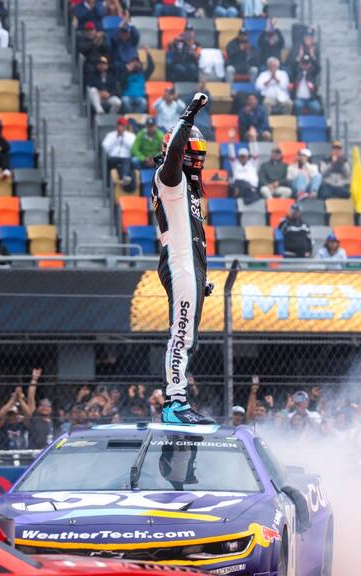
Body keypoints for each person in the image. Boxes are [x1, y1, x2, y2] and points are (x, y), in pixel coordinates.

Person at [152, 93, 213, 425]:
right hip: (179, 264)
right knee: (181, 335)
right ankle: (174, 403)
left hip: (190, 266)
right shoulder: (169, 179)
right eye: (193, 151)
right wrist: (188, 115)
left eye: (201, 152)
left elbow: (195, 237)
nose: (198, 158)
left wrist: (204, 277)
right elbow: (175, 151)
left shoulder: (188, 190)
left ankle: (178, 400)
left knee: (188, 336)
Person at [102, 117, 136, 190]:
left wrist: (124, 137)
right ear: (117, 125)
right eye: (120, 125)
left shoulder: (131, 136)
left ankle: (125, 177)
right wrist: (116, 138)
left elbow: (133, 148)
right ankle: (107, 185)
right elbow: (105, 147)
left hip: (125, 157)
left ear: (125, 126)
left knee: (127, 161)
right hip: (113, 157)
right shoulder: (110, 135)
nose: (121, 127)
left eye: (123, 125)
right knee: (107, 161)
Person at [227, 134, 260, 202]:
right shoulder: (235, 164)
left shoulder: (252, 163)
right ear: (238, 157)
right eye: (241, 156)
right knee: (237, 182)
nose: (243, 158)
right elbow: (231, 155)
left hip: (251, 187)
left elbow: (255, 154)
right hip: (239, 187)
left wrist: (253, 142)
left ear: (247, 156)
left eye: (244, 156)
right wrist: (230, 144)